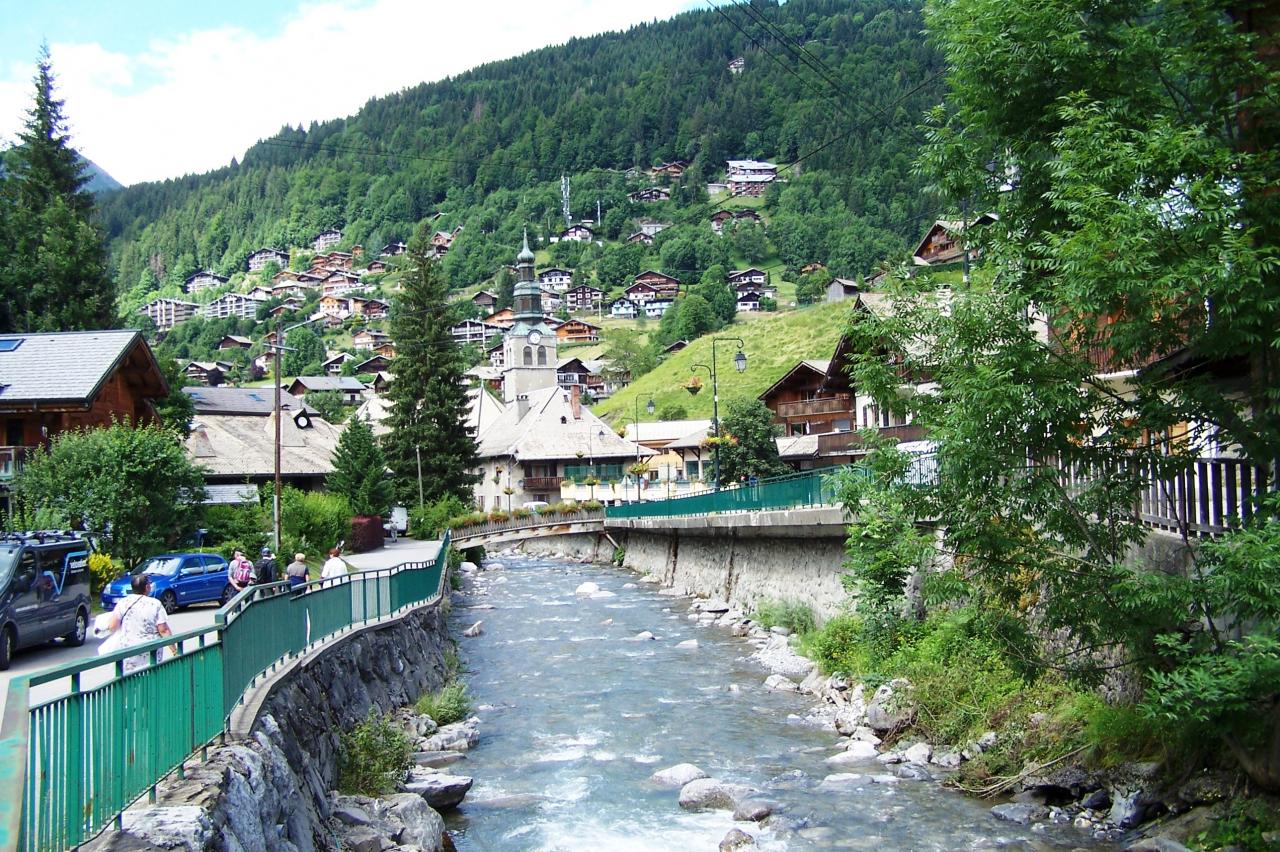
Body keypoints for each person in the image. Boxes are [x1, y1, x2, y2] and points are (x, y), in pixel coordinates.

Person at [109, 574, 174, 674]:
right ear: (147, 587)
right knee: (150, 680)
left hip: (128, 649)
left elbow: (113, 626)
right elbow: (163, 630)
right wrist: (174, 650)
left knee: (130, 679)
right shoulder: (155, 604)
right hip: (150, 651)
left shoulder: (123, 602)